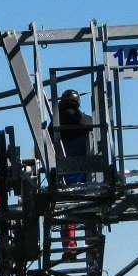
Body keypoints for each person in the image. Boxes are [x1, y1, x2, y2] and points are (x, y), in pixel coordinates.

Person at [54, 89, 94, 259]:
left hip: (64, 177)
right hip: (84, 175)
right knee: (90, 211)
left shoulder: (54, 125)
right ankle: (91, 246)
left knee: (67, 216)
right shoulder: (86, 121)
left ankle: (70, 248)